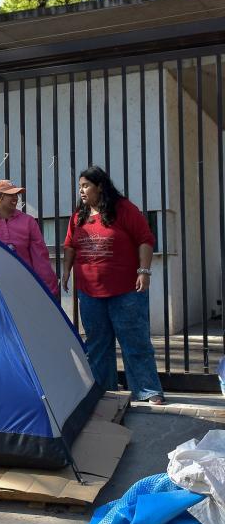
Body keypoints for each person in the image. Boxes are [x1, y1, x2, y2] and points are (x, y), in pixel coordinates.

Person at [61, 166, 166, 405]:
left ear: (100, 186)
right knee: (97, 344)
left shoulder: (124, 209)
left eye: (86, 185)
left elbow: (145, 239)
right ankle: (104, 390)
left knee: (135, 341)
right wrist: (66, 270)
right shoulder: (79, 216)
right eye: (80, 187)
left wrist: (144, 271)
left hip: (126, 291)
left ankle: (147, 390)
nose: (82, 191)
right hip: (90, 292)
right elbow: (70, 245)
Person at [0, 179, 59, 297]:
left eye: (16, 194)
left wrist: (50, 290)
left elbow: (40, 258)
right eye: (10, 194)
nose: (15, 197)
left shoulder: (28, 222)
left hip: (25, 288)